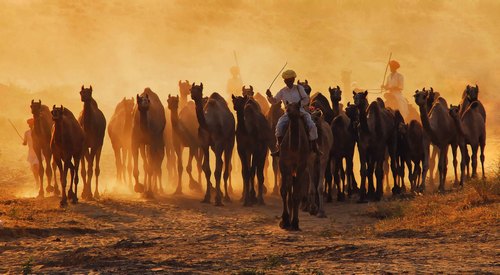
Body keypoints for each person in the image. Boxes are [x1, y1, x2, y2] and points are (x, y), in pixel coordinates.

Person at [266, 69, 320, 156]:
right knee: (279, 127)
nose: (288, 81)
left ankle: (314, 146)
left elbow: (306, 99)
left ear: (293, 80)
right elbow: (274, 101)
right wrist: (269, 96)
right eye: (287, 80)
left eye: (290, 79)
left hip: (300, 111)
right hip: (288, 113)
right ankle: (279, 148)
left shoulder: (299, 88)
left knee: (311, 125)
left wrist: (298, 105)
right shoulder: (282, 91)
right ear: (284, 81)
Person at [22, 118, 40, 187]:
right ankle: (37, 182)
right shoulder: (27, 133)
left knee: (36, 166)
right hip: (31, 153)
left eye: (31, 124)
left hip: (38, 152)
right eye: (29, 124)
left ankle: (39, 181)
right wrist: (24, 143)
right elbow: (25, 142)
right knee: (33, 169)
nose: (30, 125)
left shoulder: (38, 132)